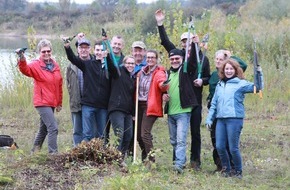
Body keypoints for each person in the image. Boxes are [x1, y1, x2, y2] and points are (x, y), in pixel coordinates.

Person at [155, 9, 211, 170]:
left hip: (194, 100)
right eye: (183, 41)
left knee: (194, 132)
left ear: (193, 41)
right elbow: (165, 42)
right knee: (178, 136)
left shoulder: (201, 58)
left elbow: (208, 76)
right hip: (178, 101)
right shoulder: (179, 56)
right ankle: (177, 162)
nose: (186, 43)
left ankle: (195, 161)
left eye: (189, 40)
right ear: (181, 44)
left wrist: (203, 81)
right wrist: (160, 24)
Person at [205, 58, 263, 179]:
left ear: (236, 70)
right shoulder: (220, 84)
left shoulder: (241, 84)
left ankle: (238, 172)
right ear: (223, 70)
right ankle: (226, 170)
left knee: (233, 148)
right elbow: (214, 103)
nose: (229, 71)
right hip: (221, 119)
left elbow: (257, 88)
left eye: (231, 69)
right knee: (220, 146)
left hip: (234, 119)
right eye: (227, 69)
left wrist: (259, 73)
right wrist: (209, 119)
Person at [16, 39, 63, 154]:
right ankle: (53, 154)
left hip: (52, 102)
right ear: (39, 52)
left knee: (43, 129)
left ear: (51, 51)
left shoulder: (55, 66)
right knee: (53, 128)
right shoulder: (36, 65)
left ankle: (34, 153)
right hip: (42, 102)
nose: (46, 53)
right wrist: (22, 57)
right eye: (43, 51)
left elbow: (59, 85)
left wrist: (59, 103)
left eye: (48, 51)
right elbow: (25, 69)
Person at [64, 38, 112, 142]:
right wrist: (67, 47)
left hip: (102, 107)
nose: (99, 53)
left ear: (105, 52)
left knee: (101, 135)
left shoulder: (109, 67)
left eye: (101, 50)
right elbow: (73, 58)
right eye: (97, 50)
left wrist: (108, 57)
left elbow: (117, 74)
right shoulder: (88, 64)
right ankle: (84, 156)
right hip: (88, 105)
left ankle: (100, 156)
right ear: (94, 51)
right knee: (87, 134)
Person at [207, 50, 248, 172]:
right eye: (217, 59)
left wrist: (230, 58)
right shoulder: (216, 77)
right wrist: (209, 116)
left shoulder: (237, 80)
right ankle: (222, 166)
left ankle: (236, 168)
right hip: (218, 113)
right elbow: (213, 99)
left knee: (231, 146)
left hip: (233, 115)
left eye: (221, 59)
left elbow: (243, 65)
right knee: (217, 142)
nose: (219, 61)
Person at [163, 46, 199, 173]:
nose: (174, 61)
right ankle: (180, 161)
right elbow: (162, 89)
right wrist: (164, 95)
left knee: (181, 140)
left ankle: (179, 167)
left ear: (182, 59)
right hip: (171, 112)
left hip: (183, 112)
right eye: (172, 59)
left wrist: (195, 45)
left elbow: (193, 61)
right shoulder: (167, 74)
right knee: (173, 141)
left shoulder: (185, 71)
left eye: (177, 58)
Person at [136, 49, 169, 163]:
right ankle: (145, 157)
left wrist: (164, 86)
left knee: (145, 134)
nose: (150, 59)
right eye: (148, 57)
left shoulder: (159, 72)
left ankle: (151, 161)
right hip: (138, 105)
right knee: (138, 136)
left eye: (152, 57)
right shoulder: (142, 72)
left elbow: (162, 83)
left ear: (156, 59)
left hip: (150, 105)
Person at [66, 33, 93, 147]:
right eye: (81, 48)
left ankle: (90, 150)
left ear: (89, 49)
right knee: (77, 130)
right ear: (77, 49)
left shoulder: (94, 62)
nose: (83, 50)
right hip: (76, 101)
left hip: (91, 103)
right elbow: (68, 83)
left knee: (90, 129)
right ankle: (76, 150)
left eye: (86, 48)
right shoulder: (71, 65)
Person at [108, 55, 135, 157]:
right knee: (119, 135)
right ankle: (115, 158)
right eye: (128, 63)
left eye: (132, 64)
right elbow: (111, 67)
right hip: (117, 109)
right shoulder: (118, 72)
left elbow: (131, 97)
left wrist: (133, 113)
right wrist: (107, 57)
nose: (130, 65)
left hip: (127, 112)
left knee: (128, 135)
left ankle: (122, 157)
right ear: (124, 64)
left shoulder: (132, 78)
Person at [105, 35, 126, 144]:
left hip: (118, 100)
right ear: (110, 44)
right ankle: (104, 152)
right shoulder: (104, 57)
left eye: (119, 44)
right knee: (104, 130)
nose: (116, 46)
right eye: (114, 43)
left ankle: (122, 153)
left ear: (122, 46)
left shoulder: (125, 61)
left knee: (120, 131)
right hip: (104, 97)